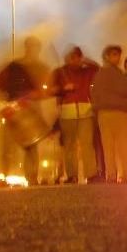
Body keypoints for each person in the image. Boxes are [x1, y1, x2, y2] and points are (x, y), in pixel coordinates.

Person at [0, 36, 50, 184]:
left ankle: (31, 177)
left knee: (31, 145)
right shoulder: (14, 67)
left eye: (35, 47)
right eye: (30, 46)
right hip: (12, 109)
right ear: (26, 47)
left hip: (29, 108)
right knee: (8, 144)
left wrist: (35, 94)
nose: (33, 50)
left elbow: (42, 91)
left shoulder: (41, 67)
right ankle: (5, 176)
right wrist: (4, 103)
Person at [90, 45, 127, 183]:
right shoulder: (115, 73)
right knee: (124, 144)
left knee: (108, 147)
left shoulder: (99, 74)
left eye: (118, 55)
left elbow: (93, 94)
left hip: (103, 114)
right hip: (117, 113)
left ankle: (111, 175)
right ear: (106, 56)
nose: (117, 57)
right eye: (114, 54)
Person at [51, 46, 100, 184]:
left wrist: (86, 60)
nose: (75, 60)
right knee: (69, 146)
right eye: (72, 57)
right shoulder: (59, 72)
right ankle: (71, 175)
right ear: (67, 59)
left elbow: (98, 68)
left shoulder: (87, 71)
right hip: (67, 113)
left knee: (87, 145)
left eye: (78, 57)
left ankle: (91, 174)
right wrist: (63, 89)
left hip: (85, 112)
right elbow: (51, 90)